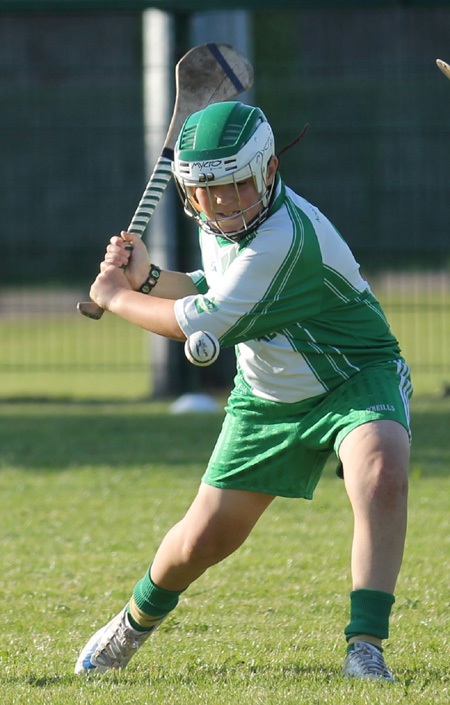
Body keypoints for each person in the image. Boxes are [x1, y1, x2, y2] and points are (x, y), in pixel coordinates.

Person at [74, 101, 412, 681]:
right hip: (267, 398)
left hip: (355, 376)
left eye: (235, 184)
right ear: (190, 191)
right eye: (207, 190)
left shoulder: (285, 236)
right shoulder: (223, 226)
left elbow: (201, 317)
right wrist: (148, 279)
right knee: (201, 542)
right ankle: (132, 622)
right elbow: (214, 286)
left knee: (381, 473)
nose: (223, 201)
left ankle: (365, 646)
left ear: (269, 171)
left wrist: (115, 297)